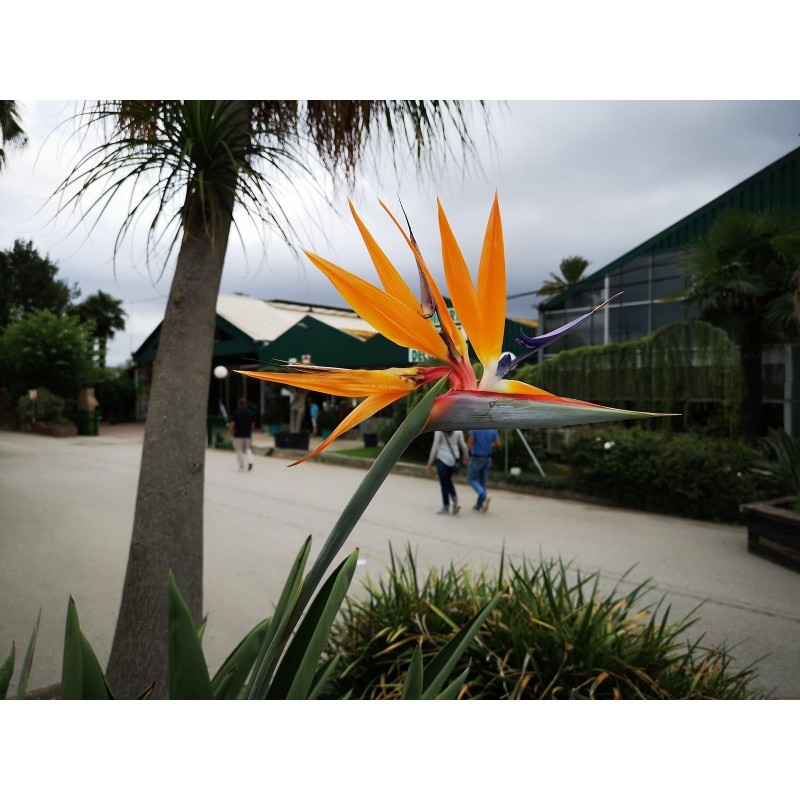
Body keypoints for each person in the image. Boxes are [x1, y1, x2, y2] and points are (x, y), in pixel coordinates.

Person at [426, 429, 468, 514]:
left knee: (444, 483)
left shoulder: (439, 430)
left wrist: (430, 462)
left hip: (442, 458)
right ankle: (455, 500)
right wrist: (466, 456)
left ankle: (446, 506)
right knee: (448, 480)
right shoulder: (458, 430)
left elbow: (435, 446)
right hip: (453, 460)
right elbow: (463, 446)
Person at [467, 429, 501, 512]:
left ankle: (484, 495)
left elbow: (470, 441)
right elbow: (498, 444)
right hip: (488, 458)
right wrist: (490, 446)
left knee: (471, 479)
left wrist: (466, 454)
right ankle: (479, 505)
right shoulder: (493, 429)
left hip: (477, 458)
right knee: (483, 482)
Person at [230, 397, 256, 471]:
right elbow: (253, 424)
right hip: (247, 435)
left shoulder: (236, 412)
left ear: (239, 404)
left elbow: (232, 423)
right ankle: (250, 461)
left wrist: (229, 432)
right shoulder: (250, 413)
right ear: (246, 404)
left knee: (239, 450)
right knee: (247, 449)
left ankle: (241, 465)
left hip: (238, 434)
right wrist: (251, 431)